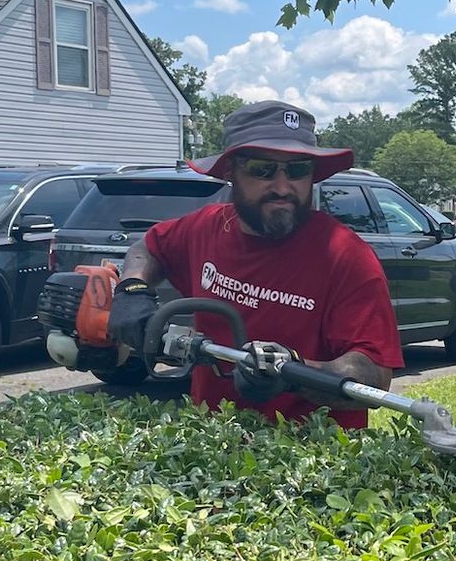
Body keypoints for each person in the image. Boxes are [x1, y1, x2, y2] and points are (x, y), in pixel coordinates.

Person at [106, 101, 402, 429]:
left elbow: (373, 376)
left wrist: (293, 371)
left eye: (298, 170)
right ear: (231, 172)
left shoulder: (345, 256)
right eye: (263, 169)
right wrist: (132, 287)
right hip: (216, 445)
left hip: (312, 462)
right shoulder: (204, 228)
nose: (282, 186)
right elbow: (147, 248)